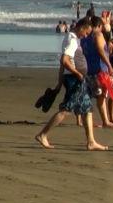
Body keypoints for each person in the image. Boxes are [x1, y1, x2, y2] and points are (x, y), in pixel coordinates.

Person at [35, 18, 108, 151]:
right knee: (66, 110)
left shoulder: (72, 38)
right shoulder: (72, 40)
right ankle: (43, 134)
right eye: (86, 32)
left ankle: (91, 141)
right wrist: (77, 73)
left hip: (75, 78)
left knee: (87, 109)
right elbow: (64, 60)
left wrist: (59, 82)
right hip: (74, 80)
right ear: (81, 27)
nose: (86, 35)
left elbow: (63, 62)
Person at [81, 16, 113, 128]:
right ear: (100, 26)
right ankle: (104, 121)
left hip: (89, 69)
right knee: (100, 96)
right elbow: (101, 51)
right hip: (99, 69)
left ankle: (97, 120)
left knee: (93, 96)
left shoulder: (85, 37)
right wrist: (109, 65)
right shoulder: (98, 35)